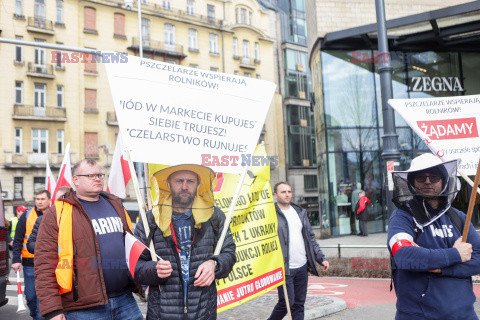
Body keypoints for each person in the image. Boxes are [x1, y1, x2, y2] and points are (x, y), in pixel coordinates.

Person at [34, 159, 142, 320]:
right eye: (91, 175)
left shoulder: (115, 205)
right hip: (83, 308)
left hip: (125, 300)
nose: (97, 179)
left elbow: (133, 246)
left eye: (99, 174)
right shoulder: (58, 212)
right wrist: (53, 310)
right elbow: (44, 264)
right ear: (76, 180)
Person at [134, 164, 236, 320]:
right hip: (162, 314)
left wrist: (215, 264)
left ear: (198, 184)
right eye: (178, 181)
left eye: (190, 181)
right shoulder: (151, 219)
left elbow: (229, 253)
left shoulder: (214, 216)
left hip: (203, 312)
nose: (184, 186)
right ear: (168, 184)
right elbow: (135, 266)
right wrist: (154, 270)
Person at [388, 153, 480, 319]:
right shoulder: (402, 217)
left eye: (434, 176)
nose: (428, 181)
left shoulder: (459, 218)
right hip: (418, 315)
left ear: (444, 180)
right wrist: (456, 254)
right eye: (421, 177)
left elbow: (479, 259)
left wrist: (438, 268)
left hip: (464, 315)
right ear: (412, 182)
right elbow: (404, 255)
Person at [268, 182, 329, 320]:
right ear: (275, 195)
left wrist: (321, 258)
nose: (287, 194)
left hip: (302, 266)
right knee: (286, 303)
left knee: (299, 305)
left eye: (289, 191)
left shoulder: (299, 212)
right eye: (283, 192)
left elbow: (310, 238)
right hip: (285, 268)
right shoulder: (271, 214)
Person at [12, 190, 51, 320]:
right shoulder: (26, 216)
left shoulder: (55, 214)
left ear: (49, 200)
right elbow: (18, 239)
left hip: (49, 263)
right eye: (37, 199)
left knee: (44, 297)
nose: (39, 201)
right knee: (31, 297)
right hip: (29, 264)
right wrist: (16, 259)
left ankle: (41, 317)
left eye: (42, 199)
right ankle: (35, 316)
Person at [27, 187, 70, 254]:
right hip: (48, 261)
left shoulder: (78, 218)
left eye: (64, 199)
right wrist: (48, 247)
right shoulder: (42, 219)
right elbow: (30, 245)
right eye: (58, 200)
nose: (61, 203)